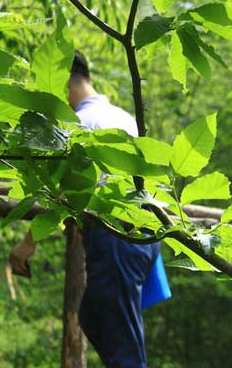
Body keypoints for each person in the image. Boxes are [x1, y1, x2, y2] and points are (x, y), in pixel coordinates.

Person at [9, 50, 160, 368]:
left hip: (117, 236)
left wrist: (27, 244)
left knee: (124, 347)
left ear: (64, 79)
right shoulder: (121, 117)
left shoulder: (80, 125)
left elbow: (65, 196)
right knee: (94, 316)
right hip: (136, 236)